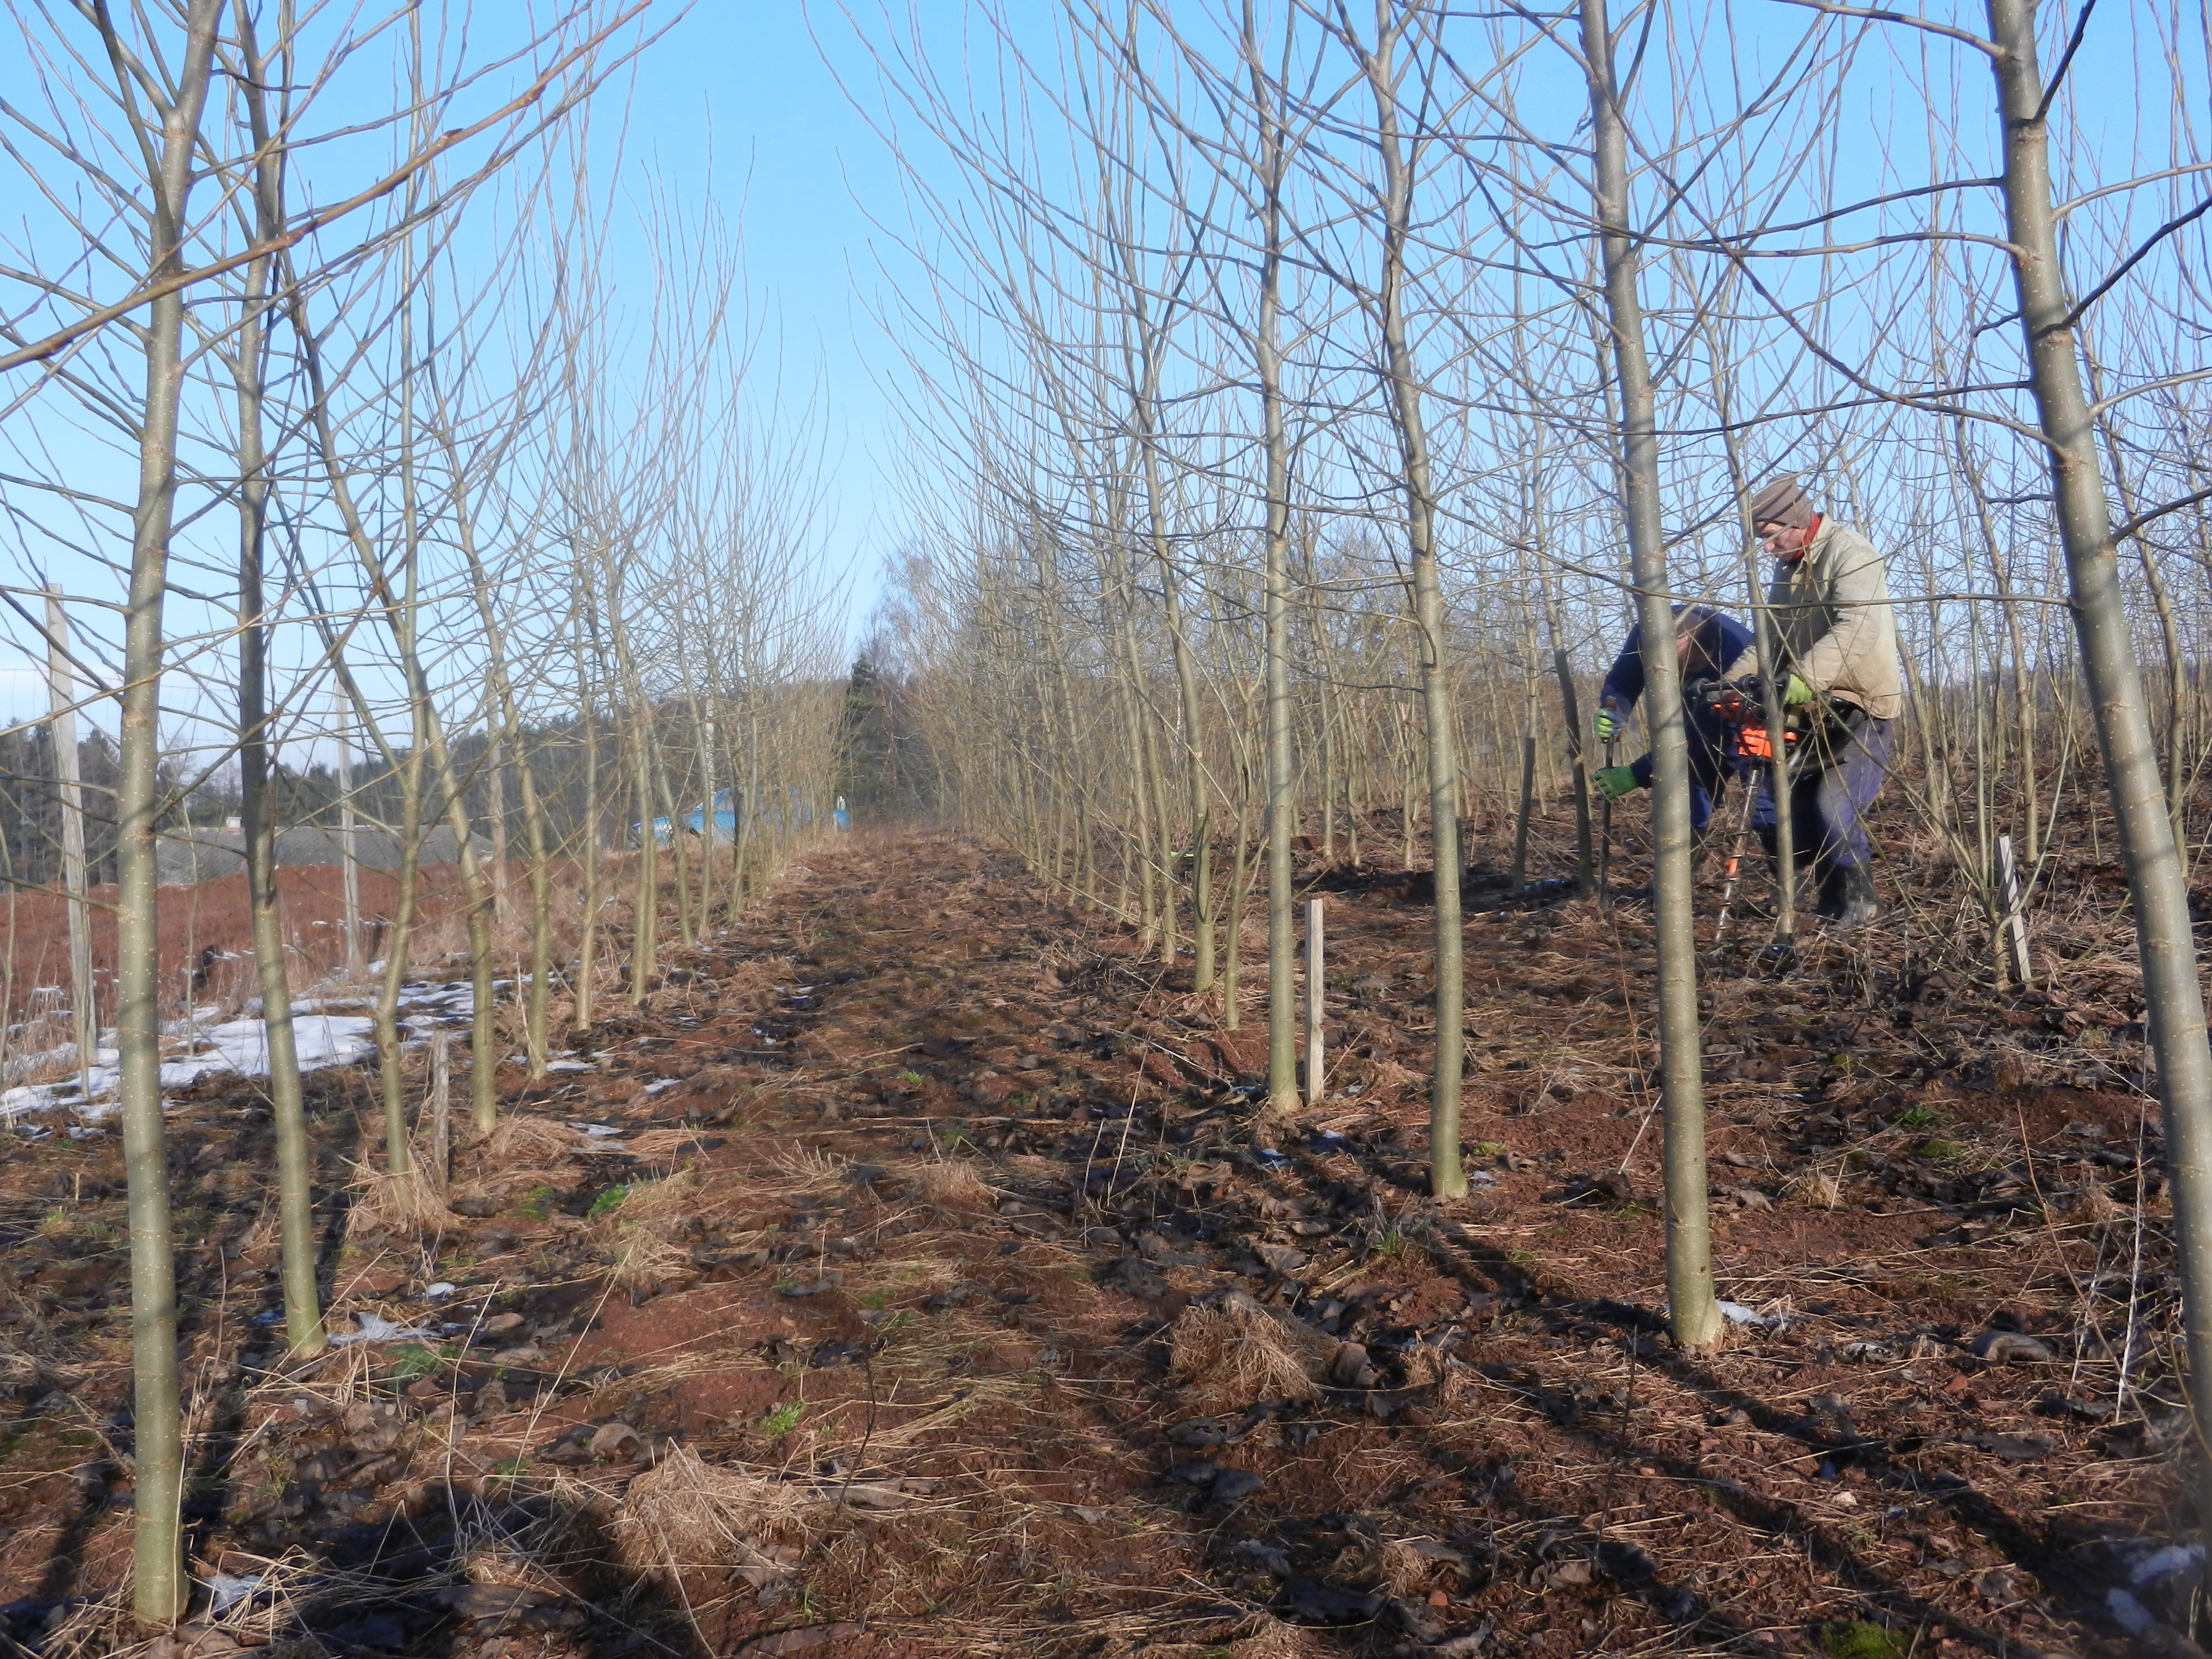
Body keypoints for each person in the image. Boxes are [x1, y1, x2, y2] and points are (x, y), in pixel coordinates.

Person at [1720, 474, 1902, 929]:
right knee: (1799, 815)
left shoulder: (1851, 553)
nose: (1767, 549)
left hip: (1860, 704)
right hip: (1810, 709)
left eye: (1769, 536)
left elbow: (1858, 627)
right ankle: (1830, 903)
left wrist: (1803, 677)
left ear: (1797, 521)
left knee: (1834, 810)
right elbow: (1772, 638)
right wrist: (1733, 682)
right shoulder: (1789, 569)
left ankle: (1863, 903)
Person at [1592, 602, 1756, 840]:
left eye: (1684, 663)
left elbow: (1702, 739)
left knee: (1764, 806)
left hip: (1743, 723)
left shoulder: (1736, 651)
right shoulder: (1649, 631)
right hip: (1698, 714)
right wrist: (1613, 709)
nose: (1677, 671)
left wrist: (1637, 773)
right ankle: (1684, 867)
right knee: (1689, 803)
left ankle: (1785, 861)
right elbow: (1623, 678)